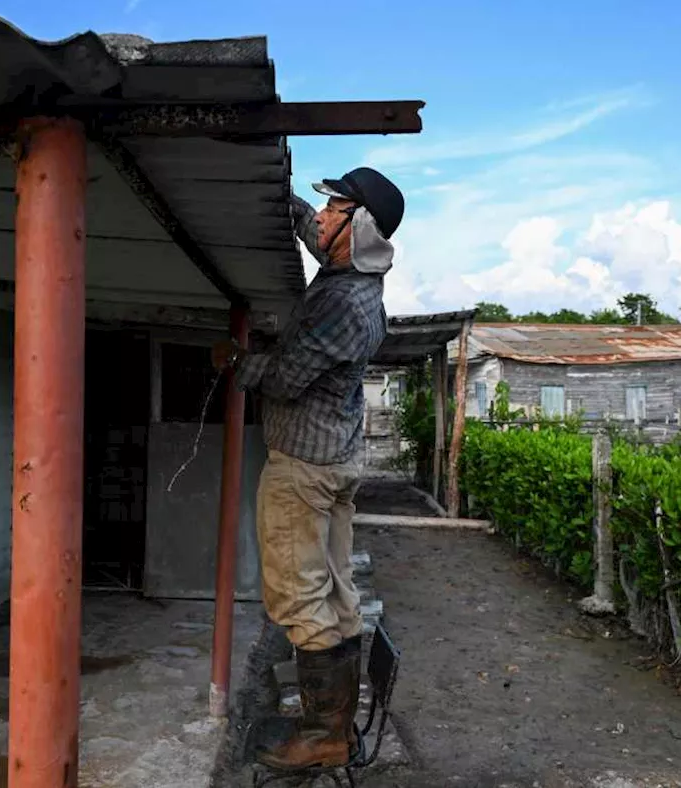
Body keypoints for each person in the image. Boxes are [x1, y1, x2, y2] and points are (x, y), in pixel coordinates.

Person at [212, 166, 404, 770]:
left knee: (298, 599)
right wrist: (284, 197)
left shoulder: (344, 305)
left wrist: (235, 362)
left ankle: (323, 734)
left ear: (360, 226)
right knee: (338, 596)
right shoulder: (350, 274)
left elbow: (287, 381)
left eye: (334, 208)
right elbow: (312, 229)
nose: (320, 217)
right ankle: (334, 725)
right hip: (335, 459)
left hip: (304, 468)